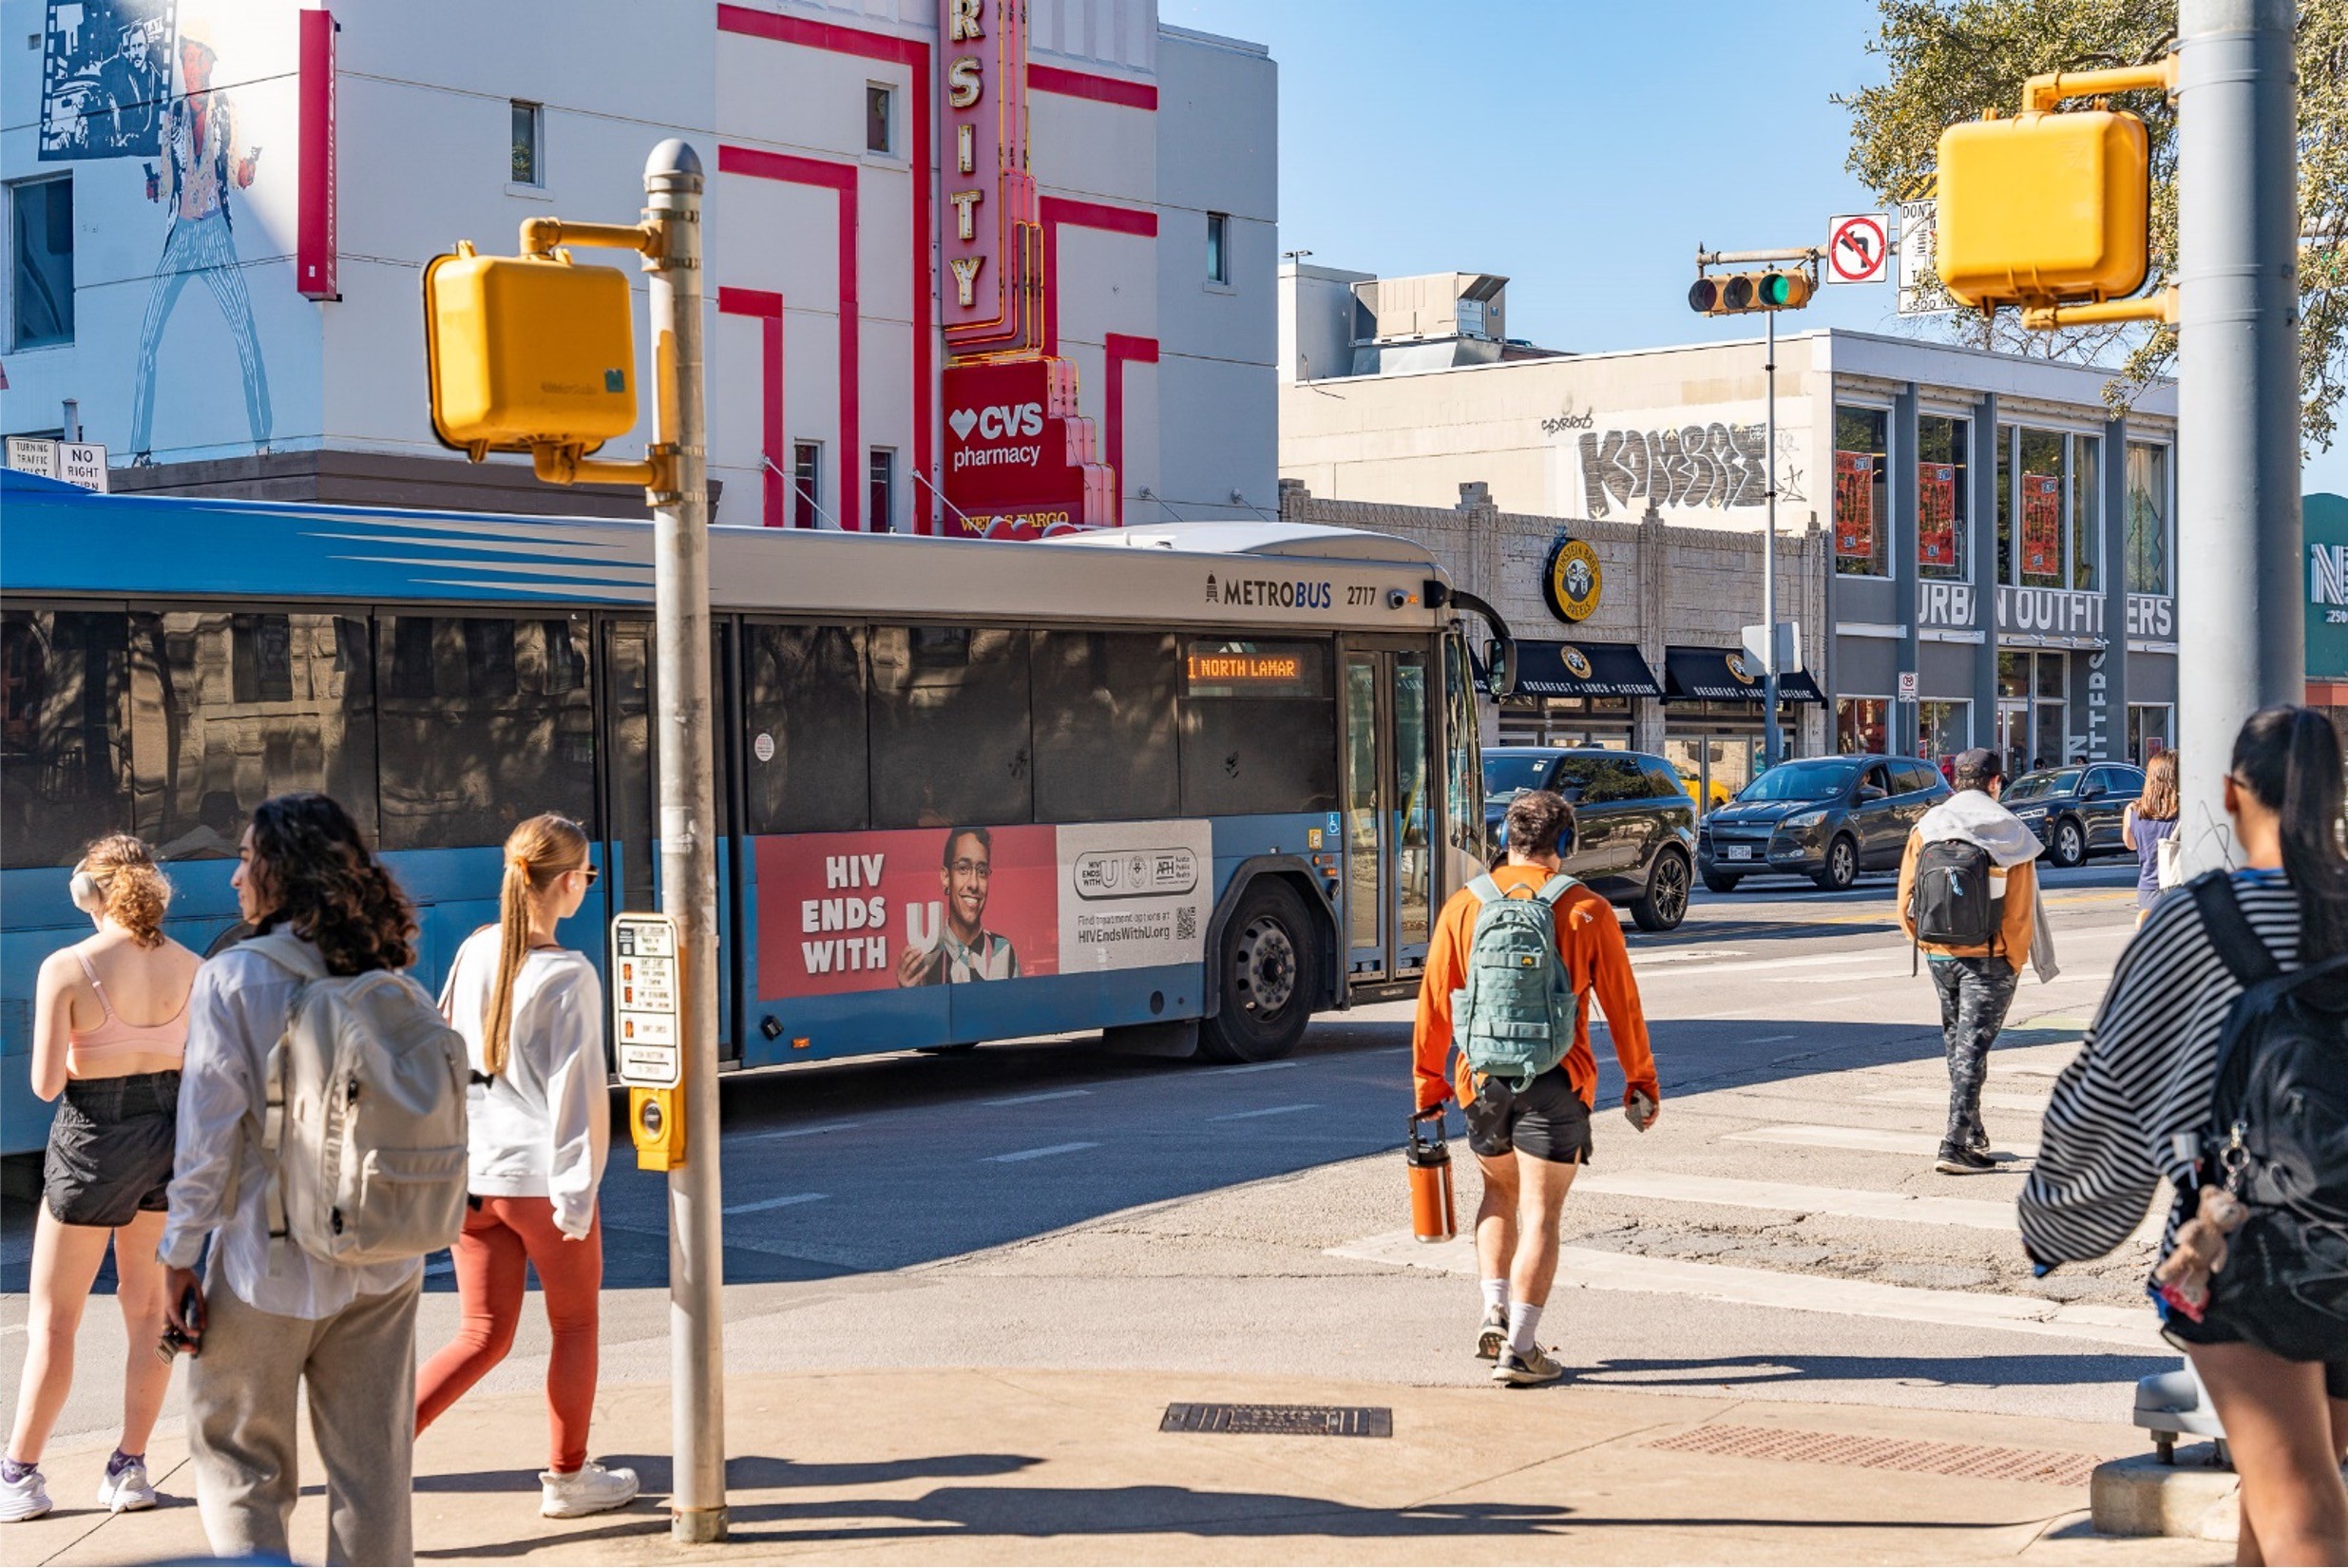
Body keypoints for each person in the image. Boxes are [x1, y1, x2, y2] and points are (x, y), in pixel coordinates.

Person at [2023, 707, 2348, 1566]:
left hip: (2258, 1245)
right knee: (2283, 1478)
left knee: (2299, 1502)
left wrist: (2056, 1223)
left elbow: (2108, 1089)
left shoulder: (2198, 920)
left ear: (2231, 795)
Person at [160, 793, 425, 1566]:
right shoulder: (388, 974)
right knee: (374, 1470)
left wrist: (179, 1254)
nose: (235, 876)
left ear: (281, 870)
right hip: (385, 1255)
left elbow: (207, 1137)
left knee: (238, 1459)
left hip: (267, 1258)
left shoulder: (234, 978)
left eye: (247, 858)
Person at [414, 814, 638, 1519]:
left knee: (480, 1335)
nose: (588, 885)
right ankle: (568, 1480)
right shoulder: (569, 974)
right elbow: (578, 1097)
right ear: (568, 882)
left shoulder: (475, 949)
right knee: (574, 1327)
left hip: (469, 1177)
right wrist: (577, 1198)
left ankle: (372, 1449)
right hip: (536, 1181)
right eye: (588, 875)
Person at [1413, 790, 1660, 1387]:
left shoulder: (1463, 906)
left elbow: (1434, 1003)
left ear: (1506, 840)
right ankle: (1521, 1349)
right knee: (1542, 1214)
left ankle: (1494, 1311)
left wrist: (1428, 1085)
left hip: (1481, 1082)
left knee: (1497, 1193)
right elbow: (1622, 1006)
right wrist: (1641, 1081)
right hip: (1558, 1080)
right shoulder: (1587, 910)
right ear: (1565, 844)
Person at [3, 837, 200, 1522]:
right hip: (167, 1140)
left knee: (55, 1320)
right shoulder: (194, 966)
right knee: (148, 1311)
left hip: (92, 1141)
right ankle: (130, 1469)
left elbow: (45, 1084)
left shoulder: (68, 966)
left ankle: (21, 1476)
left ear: (88, 891)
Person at [1896, 747, 2057, 1176]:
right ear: (1995, 782)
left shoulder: (1929, 826)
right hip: (1989, 958)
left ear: (1957, 782)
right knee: (1972, 1048)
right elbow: (2020, 910)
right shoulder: (2009, 830)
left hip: (1938, 952)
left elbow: (1906, 894)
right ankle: (1954, 1144)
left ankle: (1973, 1133)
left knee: (1959, 1043)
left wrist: (1924, 941)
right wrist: (2013, 958)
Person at [897, 825, 1020, 985]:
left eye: (981, 871)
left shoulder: (1004, 951)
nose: (974, 884)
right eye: (963, 868)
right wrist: (906, 995)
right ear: (946, 877)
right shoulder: (924, 960)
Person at [2122, 750, 2181, 927]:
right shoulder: (2182, 810)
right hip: (2178, 886)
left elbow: (2130, 844)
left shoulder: (2132, 810)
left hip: (2147, 890)